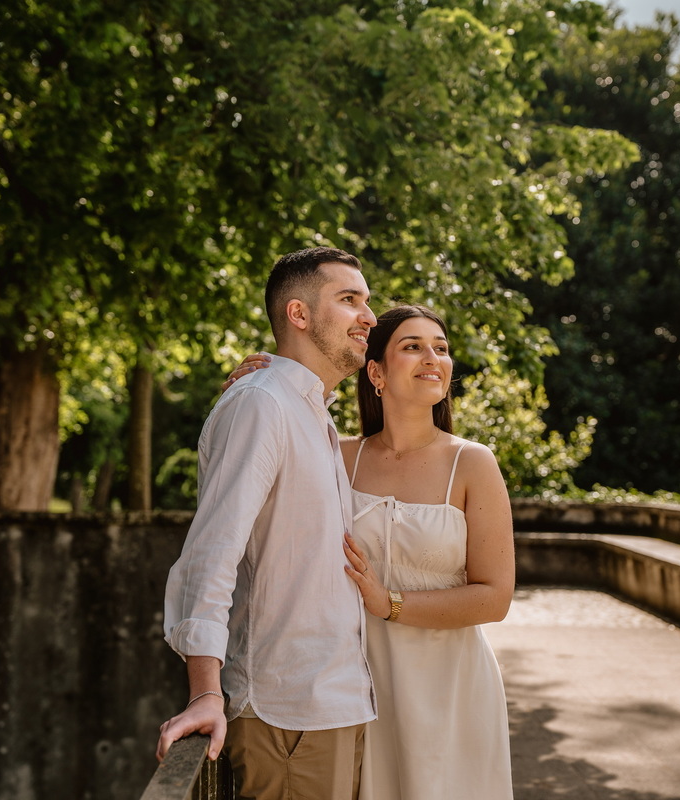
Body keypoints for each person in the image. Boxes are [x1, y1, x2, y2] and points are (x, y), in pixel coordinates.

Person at [227, 305, 515, 799]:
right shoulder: (338, 454)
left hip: (449, 685)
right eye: (413, 346)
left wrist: (390, 603)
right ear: (376, 373)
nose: (433, 358)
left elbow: (495, 597)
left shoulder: (472, 463)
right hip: (353, 683)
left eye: (441, 348)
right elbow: (262, 462)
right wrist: (251, 389)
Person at [157, 246, 378, 800]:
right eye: (349, 300)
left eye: (367, 302)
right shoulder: (262, 403)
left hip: (333, 704)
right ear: (298, 314)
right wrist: (205, 692)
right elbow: (213, 551)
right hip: (288, 711)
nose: (369, 317)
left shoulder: (311, 411)